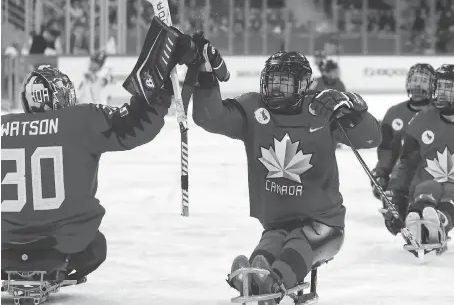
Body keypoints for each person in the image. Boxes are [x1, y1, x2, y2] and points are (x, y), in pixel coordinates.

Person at [188, 33, 382, 304]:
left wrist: (353, 106)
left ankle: (273, 279)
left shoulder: (321, 109)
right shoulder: (254, 109)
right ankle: (257, 273)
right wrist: (205, 74)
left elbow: (371, 138)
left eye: (284, 83)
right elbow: (209, 117)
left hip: (323, 223)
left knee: (299, 244)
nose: (275, 89)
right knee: (271, 244)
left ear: (302, 85)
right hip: (277, 222)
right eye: (271, 82)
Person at [1, 17, 193, 283]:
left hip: (5, 247)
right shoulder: (80, 120)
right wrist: (162, 69)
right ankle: (59, 269)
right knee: (96, 247)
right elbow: (139, 123)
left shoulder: (3, 125)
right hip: (63, 242)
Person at [386, 64, 454, 255]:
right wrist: (394, 195)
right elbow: (406, 163)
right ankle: (418, 218)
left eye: (448, 88)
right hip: (427, 183)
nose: (442, 93)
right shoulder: (421, 120)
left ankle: (441, 220)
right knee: (425, 190)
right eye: (439, 87)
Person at [372, 64, 435, 234]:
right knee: (395, 218)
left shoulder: (439, 114)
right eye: (414, 79)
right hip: (400, 177)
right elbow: (386, 150)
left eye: (423, 81)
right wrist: (381, 172)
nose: (417, 85)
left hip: (430, 179)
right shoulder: (394, 113)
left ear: (432, 86)